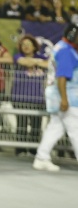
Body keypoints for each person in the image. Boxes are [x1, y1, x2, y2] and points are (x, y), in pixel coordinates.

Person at [33, 24, 78, 171]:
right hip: (66, 95)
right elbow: (62, 77)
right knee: (75, 129)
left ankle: (41, 157)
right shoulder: (66, 51)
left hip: (57, 93)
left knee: (56, 127)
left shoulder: (61, 47)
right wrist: (65, 99)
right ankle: (41, 157)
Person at [11, 35, 48, 156]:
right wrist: (38, 63)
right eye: (23, 44)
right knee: (21, 124)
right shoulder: (18, 56)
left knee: (36, 126)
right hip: (20, 97)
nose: (25, 46)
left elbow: (48, 64)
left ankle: (33, 150)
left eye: (28, 44)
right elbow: (23, 62)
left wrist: (35, 61)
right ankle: (20, 149)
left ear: (34, 46)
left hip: (38, 98)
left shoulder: (43, 57)